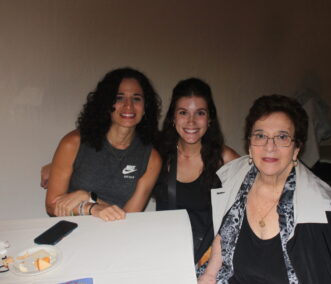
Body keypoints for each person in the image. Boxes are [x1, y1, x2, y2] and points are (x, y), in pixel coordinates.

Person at [198, 95, 331, 284]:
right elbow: (223, 235)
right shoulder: (236, 180)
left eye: (282, 137)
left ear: (296, 148)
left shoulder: (315, 212)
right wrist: (209, 275)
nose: (270, 146)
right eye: (260, 135)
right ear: (250, 145)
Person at [45, 67, 162, 221]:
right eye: (119, 97)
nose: (128, 105)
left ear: (145, 107)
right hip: (71, 232)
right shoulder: (72, 143)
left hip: (116, 235)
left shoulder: (151, 159)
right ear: (106, 104)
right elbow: (52, 206)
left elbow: (128, 218)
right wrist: (91, 207)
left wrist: (89, 197)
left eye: (136, 98)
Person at [154, 78, 239, 263]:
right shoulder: (158, 156)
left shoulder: (224, 159)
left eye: (199, 113)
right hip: (164, 252)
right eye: (183, 112)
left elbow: (241, 214)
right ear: (173, 118)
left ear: (209, 119)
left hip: (208, 257)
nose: (191, 121)